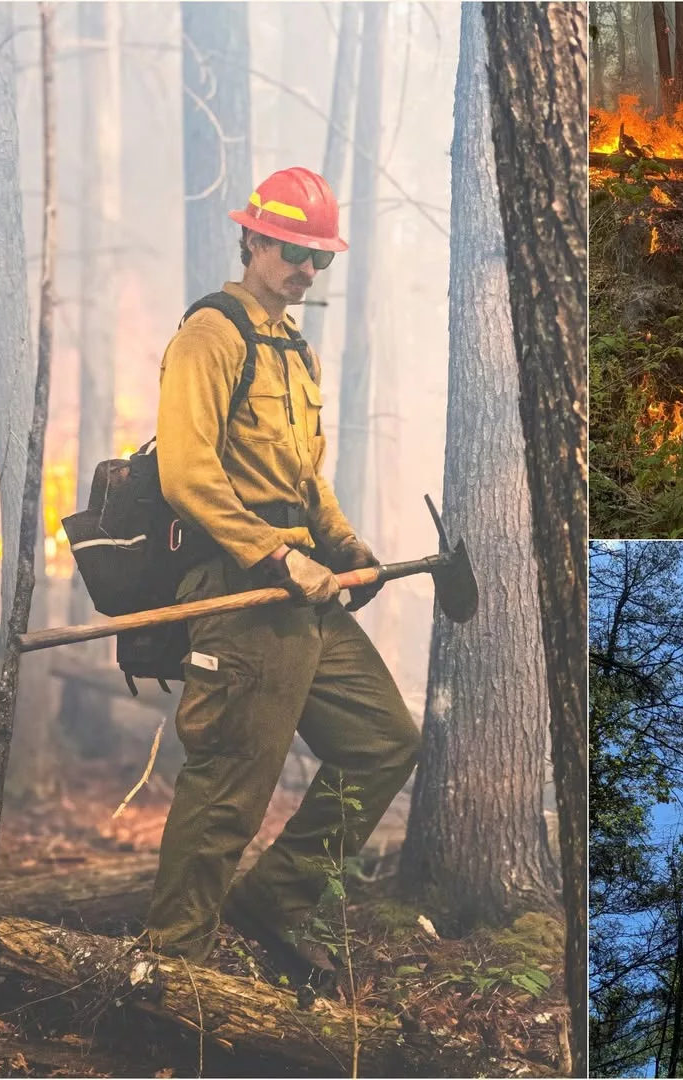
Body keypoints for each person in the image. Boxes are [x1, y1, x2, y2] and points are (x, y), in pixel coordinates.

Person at [145, 167, 420, 987]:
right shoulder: (211, 334)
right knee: (230, 782)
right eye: (294, 252)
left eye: (319, 259)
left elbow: (306, 481)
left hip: (304, 592)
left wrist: (346, 548)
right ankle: (168, 970)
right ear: (255, 239)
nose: (305, 270)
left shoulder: (292, 350)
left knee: (383, 744)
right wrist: (275, 554)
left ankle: (270, 901)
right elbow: (188, 475)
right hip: (240, 592)